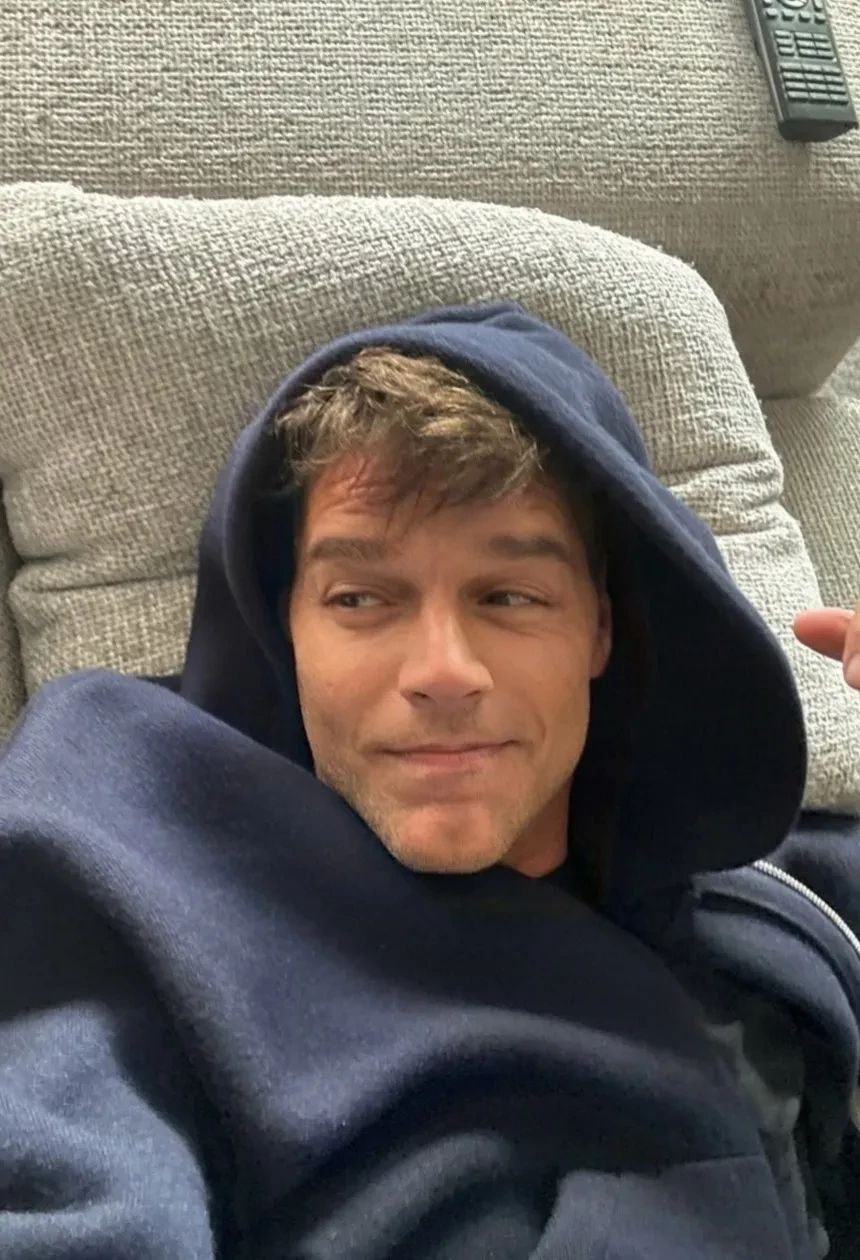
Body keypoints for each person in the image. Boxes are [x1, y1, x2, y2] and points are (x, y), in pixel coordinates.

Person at [0, 300, 858, 1259]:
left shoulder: (774, 887)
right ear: (285, 629)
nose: (444, 672)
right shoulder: (122, 835)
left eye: (509, 596)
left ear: (601, 630)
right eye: (361, 598)